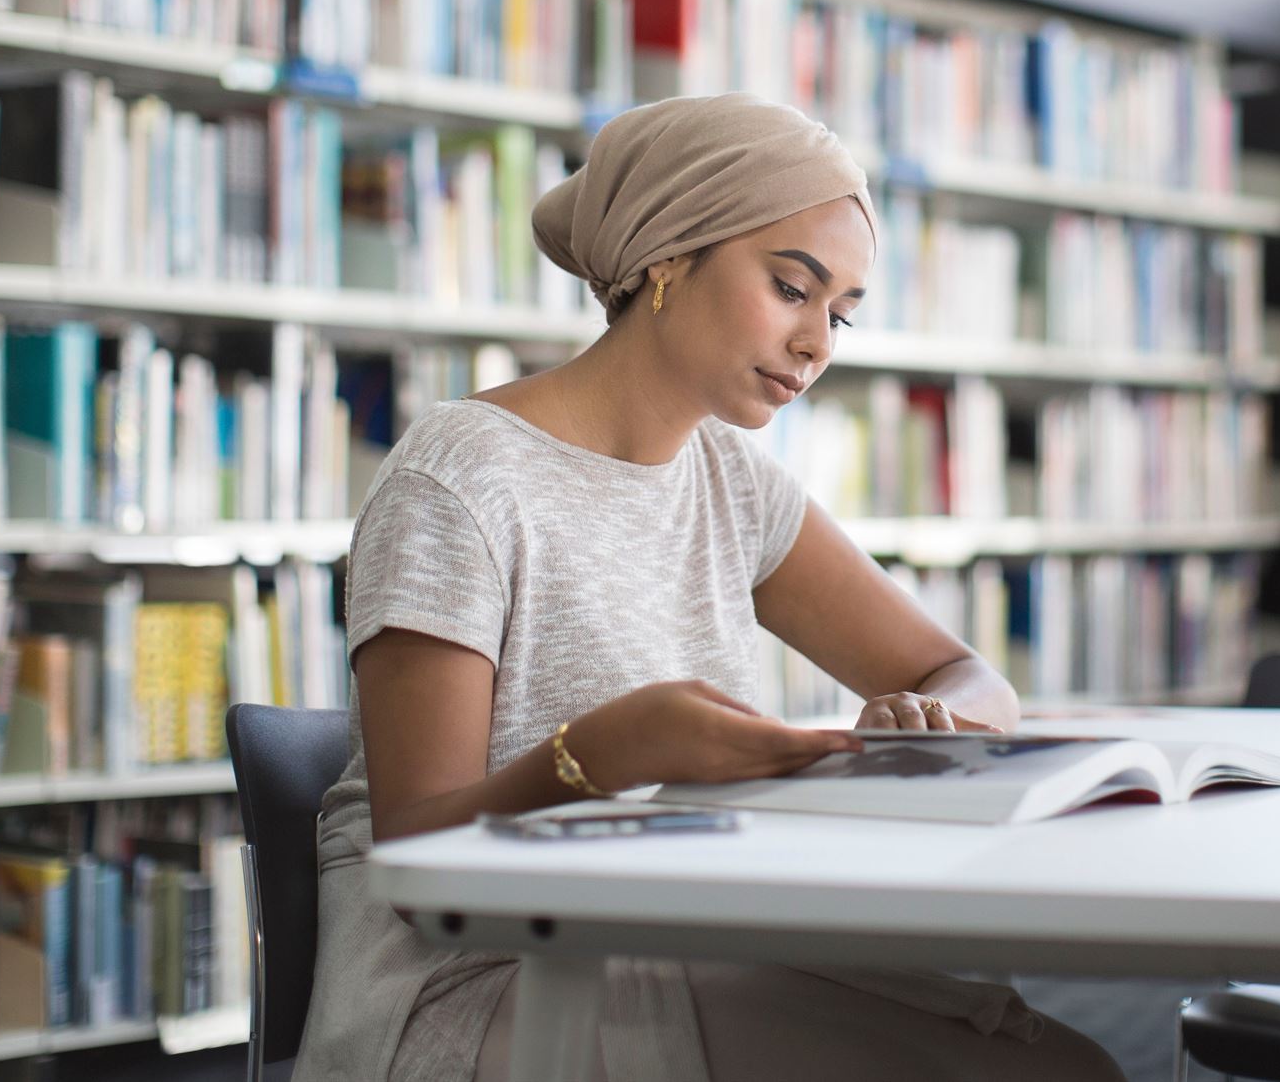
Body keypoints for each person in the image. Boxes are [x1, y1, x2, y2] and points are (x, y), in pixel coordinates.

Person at [293, 93, 1125, 1082]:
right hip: (470, 982)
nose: (816, 342)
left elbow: (965, 673)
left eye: (839, 314)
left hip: (679, 936)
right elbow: (417, 847)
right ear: (667, 255)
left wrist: (931, 715)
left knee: (1060, 1064)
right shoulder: (458, 474)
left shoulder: (733, 485)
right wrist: (599, 753)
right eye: (789, 288)